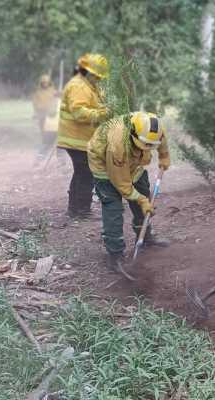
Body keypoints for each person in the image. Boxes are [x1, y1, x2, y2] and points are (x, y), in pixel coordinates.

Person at [87, 111, 171, 272]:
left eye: (150, 146)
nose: (148, 148)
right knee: (113, 209)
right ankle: (115, 255)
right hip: (105, 166)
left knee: (143, 197)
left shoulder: (152, 127)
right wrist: (142, 200)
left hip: (134, 165)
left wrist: (164, 155)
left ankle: (145, 238)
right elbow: (122, 184)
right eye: (144, 145)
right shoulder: (117, 144)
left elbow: (161, 139)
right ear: (133, 134)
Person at [57, 53, 110, 219]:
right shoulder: (78, 86)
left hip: (81, 138)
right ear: (87, 71)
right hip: (76, 139)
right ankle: (81, 211)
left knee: (81, 172)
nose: (99, 79)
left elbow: (96, 103)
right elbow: (79, 113)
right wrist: (103, 114)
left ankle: (75, 209)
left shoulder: (88, 85)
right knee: (85, 172)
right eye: (96, 76)